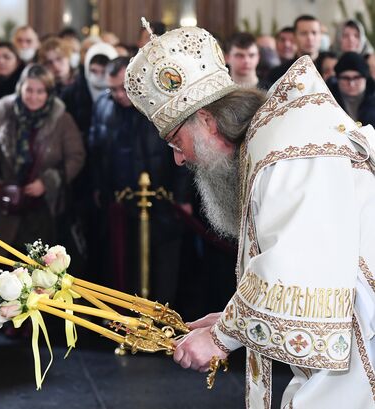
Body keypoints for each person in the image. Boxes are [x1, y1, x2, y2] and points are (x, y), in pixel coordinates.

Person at [125, 22, 375, 408]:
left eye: (177, 141)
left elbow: (296, 265)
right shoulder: (272, 138)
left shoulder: (285, 150)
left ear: (207, 122)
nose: (178, 158)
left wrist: (220, 338)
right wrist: (229, 320)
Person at [89, 56, 192, 304]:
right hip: (121, 202)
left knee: (163, 266)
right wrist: (99, 188)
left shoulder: (160, 103)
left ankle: (162, 322)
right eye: (112, 89)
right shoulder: (103, 105)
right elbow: (97, 151)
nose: (118, 95)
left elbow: (181, 151)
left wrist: (181, 197)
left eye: (123, 88)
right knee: (126, 262)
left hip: (162, 200)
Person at [0, 63, 85, 251]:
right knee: (9, 261)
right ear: (20, 89)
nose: (33, 97)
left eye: (40, 91)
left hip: (45, 206)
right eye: (29, 90)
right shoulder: (1, 113)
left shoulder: (62, 119)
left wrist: (48, 181)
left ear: (49, 93)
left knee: (43, 263)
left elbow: (76, 156)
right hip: (9, 202)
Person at [267, 16, 322, 87]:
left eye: (314, 33)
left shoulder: (332, 68)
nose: (310, 38)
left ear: (321, 36)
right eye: (304, 33)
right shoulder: (280, 74)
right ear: (294, 37)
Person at [328, 52, 375, 128]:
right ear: (338, 79)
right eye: (346, 78)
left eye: (357, 78)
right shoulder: (328, 99)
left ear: (365, 78)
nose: (351, 83)